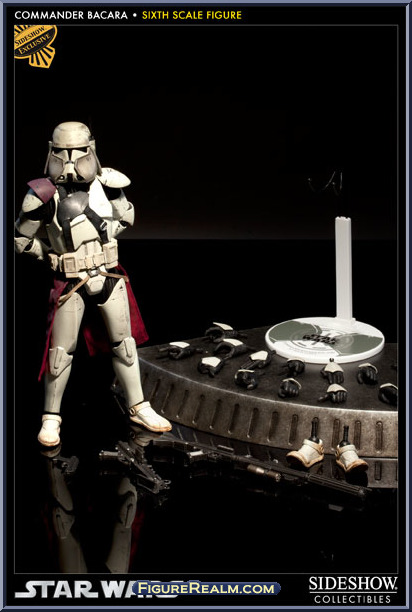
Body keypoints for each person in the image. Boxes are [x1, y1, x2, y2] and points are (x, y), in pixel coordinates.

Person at [15, 121, 171, 446]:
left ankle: (139, 406)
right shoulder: (42, 193)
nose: (71, 162)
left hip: (108, 274)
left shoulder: (109, 184)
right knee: (61, 353)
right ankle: (51, 417)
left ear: (92, 149)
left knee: (124, 345)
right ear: (52, 152)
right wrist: (52, 257)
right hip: (70, 280)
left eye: (78, 152)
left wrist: (106, 239)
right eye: (64, 153)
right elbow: (21, 239)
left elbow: (125, 217)